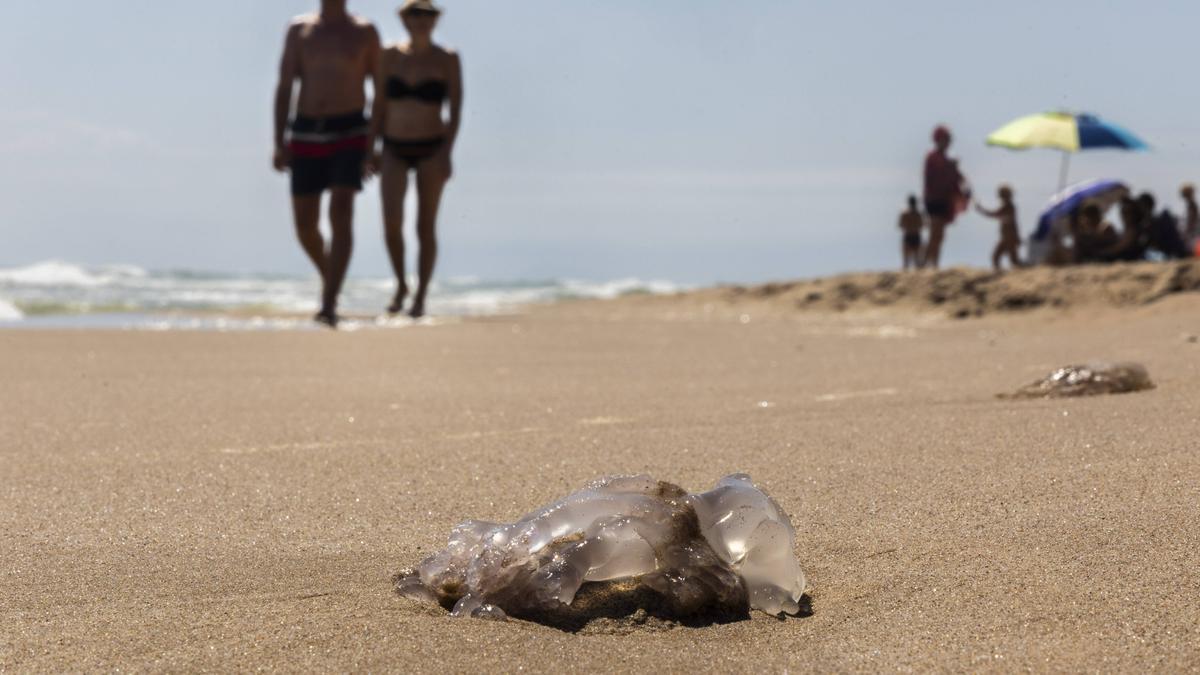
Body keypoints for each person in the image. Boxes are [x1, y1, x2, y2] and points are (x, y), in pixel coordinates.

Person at [273, 0, 381, 328]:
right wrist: (279, 140)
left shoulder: (364, 31)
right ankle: (329, 276)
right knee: (305, 223)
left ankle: (329, 301)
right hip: (306, 130)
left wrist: (373, 145)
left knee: (342, 211)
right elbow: (285, 84)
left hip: (350, 131)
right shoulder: (299, 29)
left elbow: (380, 91)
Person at [368, 0, 464, 318]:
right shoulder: (389, 56)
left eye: (428, 15)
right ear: (405, 19)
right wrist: (371, 148)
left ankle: (421, 296)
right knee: (391, 222)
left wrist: (447, 154)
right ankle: (400, 284)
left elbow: (455, 110)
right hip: (394, 147)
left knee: (426, 226)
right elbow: (379, 104)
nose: (422, 21)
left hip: (432, 149)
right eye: (416, 15)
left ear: (436, 21)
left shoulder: (447, 59)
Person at [922, 126, 970, 269]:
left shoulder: (946, 159)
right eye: (945, 139)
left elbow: (957, 178)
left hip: (944, 200)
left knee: (939, 236)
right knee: (934, 234)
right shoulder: (932, 157)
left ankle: (934, 265)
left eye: (948, 140)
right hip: (934, 200)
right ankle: (923, 265)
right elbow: (938, 175)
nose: (948, 142)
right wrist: (951, 166)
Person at [974, 185, 1023, 271]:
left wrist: (980, 209)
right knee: (1000, 258)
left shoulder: (1008, 206)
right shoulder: (1008, 206)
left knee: (1009, 260)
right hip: (1007, 238)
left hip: (1010, 238)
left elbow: (994, 214)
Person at [897, 195, 924, 270]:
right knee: (917, 260)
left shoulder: (904, 213)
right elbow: (922, 225)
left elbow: (900, 225)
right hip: (916, 236)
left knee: (906, 261)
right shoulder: (918, 214)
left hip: (908, 236)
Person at [1181, 183, 1199, 248]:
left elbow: (1192, 220)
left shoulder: (1192, 205)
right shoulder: (1191, 204)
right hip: (1192, 232)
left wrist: (1187, 232)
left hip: (1192, 233)